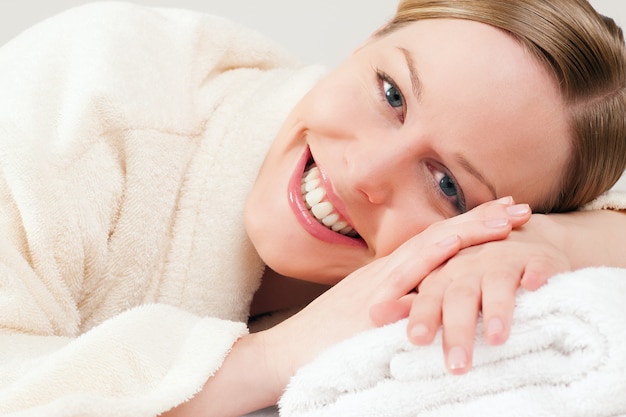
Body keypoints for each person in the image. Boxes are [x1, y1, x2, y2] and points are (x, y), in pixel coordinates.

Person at [0, 1, 623, 417]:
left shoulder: (497, 239)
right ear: (367, 42)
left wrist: (541, 244)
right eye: (391, 94)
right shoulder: (87, 97)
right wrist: (268, 359)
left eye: (448, 187)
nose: (363, 173)